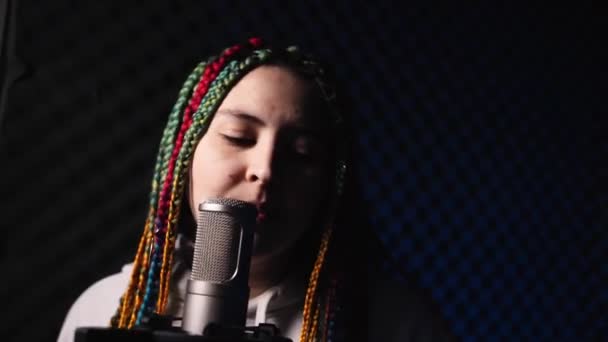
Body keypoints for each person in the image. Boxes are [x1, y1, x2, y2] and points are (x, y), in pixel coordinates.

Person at [58, 38, 456, 342]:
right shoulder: (105, 307)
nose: (265, 170)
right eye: (238, 137)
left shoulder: (399, 325)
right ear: (184, 155)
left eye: (301, 154)